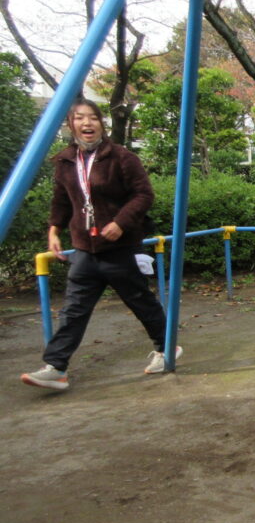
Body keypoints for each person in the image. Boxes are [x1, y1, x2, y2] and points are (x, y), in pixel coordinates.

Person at [20, 99, 181, 392]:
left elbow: (143, 195)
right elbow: (62, 200)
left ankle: (167, 347)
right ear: (71, 124)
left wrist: (121, 222)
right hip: (85, 249)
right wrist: (54, 229)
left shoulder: (121, 157)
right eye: (80, 118)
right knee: (73, 310)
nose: (87, 123)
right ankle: (56, 367)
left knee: (141, 302)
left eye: (93, 118)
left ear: (101, 123)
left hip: (120, 247)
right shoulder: (66, 161)